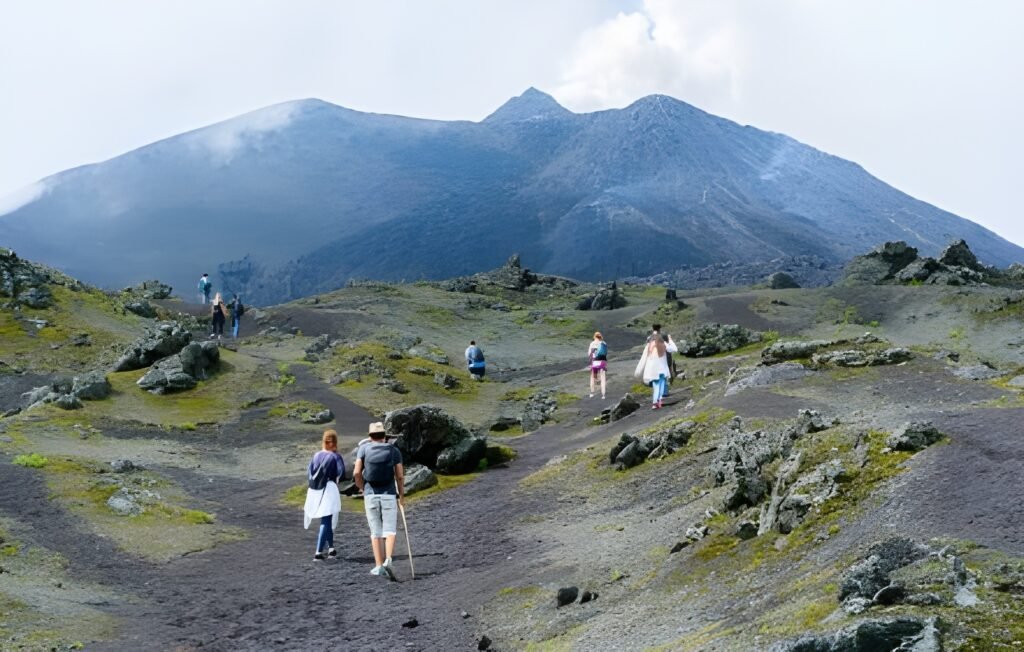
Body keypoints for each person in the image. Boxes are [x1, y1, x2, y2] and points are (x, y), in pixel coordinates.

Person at [354, 421, 405, 580]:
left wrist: (363, 488)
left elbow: (356, 473)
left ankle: (378, 566)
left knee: (375, 531)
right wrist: (401, 495)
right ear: (384, 436)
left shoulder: (363, 449)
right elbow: (400, 476)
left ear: (370, 437)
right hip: (389, 494)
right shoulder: (394, 451)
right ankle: (388, 559)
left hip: (370, 494)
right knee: (389, 529)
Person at [304, 430, 346, 561]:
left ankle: (332, 549)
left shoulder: (316, 455)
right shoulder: (335, 456)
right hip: (329, 489)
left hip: (314, 490)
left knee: (326, 518)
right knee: (327, 520)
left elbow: (309, 472)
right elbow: (342, 473)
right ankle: (318, 552)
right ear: (334, 442)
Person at [635, 327, 677, 409]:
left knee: (656, 385)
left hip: (652, 370)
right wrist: (670, 340)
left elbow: (644, 358)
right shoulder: (663, 345)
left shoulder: (649, 346)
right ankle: (659, 401)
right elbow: (674, 349)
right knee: (661, 384)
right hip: (662, 369)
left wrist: (640, 371)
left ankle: (655, 403)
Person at [587, 331, 608, 400]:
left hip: (595, 362)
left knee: (592, 377)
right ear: (600, 337)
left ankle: (592, 393)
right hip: (602, 362)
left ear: (594, 337)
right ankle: (603, 395)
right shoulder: (604, 343)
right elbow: (605, 353)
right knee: (603, 378)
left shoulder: (592, 343)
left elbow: (589, 354)